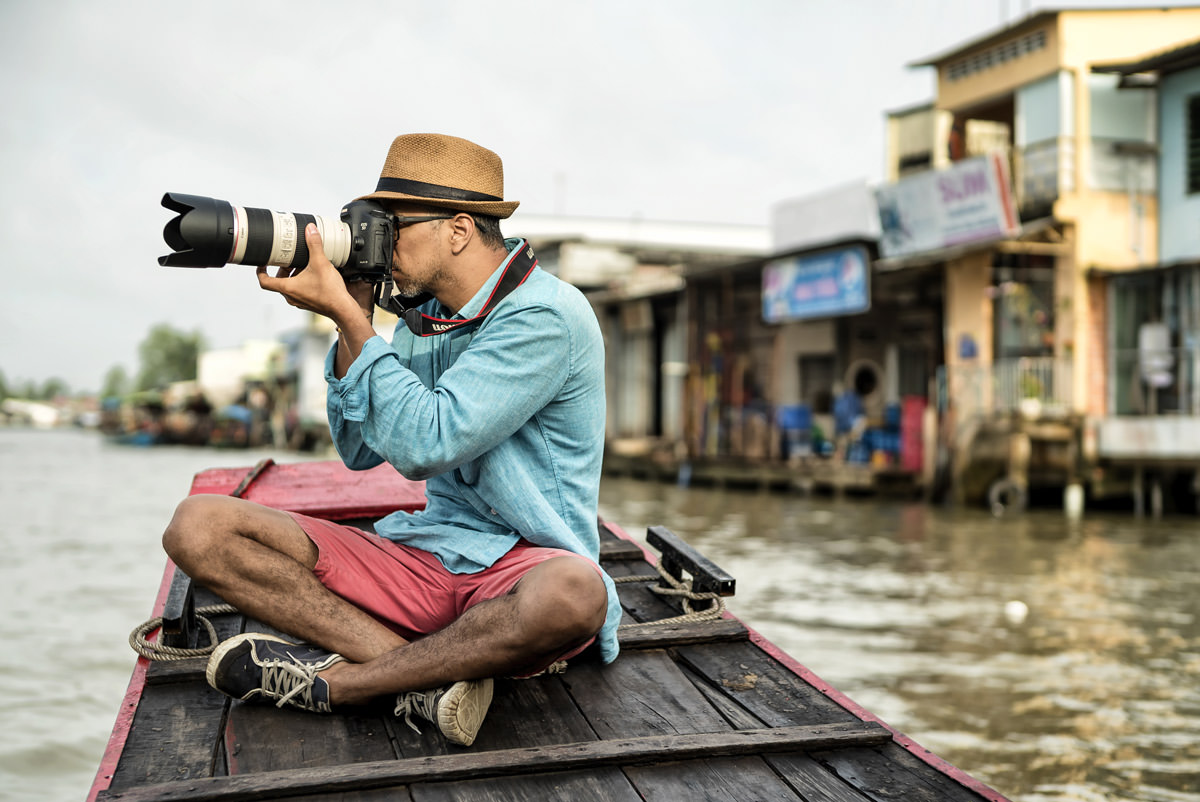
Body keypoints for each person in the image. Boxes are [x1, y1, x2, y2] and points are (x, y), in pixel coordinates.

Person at [162, 133, 622, 747]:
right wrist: (348, 319)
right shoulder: (423, 320)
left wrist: (357, 322)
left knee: (574, 593)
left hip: (522, 569)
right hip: (428, 556)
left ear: (457, 230)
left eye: (395, 225)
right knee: (198, 527)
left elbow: (427, 443)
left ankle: (349, 685)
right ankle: (426, 680)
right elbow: (358, 450)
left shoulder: (545, 316)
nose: (380, 242)